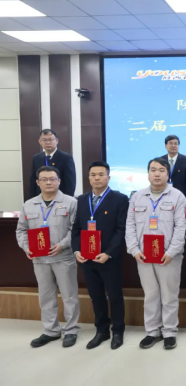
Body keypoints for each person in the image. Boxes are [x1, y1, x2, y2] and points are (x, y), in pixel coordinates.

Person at [125, 157, 186, 350]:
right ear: (148, 174)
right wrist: (134, 250)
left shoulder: (178, 197)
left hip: (168, 257)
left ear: (168, 174)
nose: (157, 174)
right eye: (153, 170)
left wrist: (171, 252)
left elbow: (181, 227)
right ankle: (152, 331)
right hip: (144, 256)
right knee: (150, 295)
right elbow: (130, 226)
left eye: (161, 170)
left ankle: (169, 332)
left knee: (169, 296)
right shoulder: (137, 196)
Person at [16, 166, 79, 348]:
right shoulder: (29, 204)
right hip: (39, 260)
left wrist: (63, 245)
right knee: (46, 296)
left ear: (59, 181)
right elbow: (21, 230)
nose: (48, 182)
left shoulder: (71, 202)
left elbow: (75, 229)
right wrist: (26, 247)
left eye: (52, 179)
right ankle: (51, 330)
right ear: (38, 182)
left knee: (69, 296)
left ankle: (71, 330)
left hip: (63, 257)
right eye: (44, 179)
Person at [72, 161, 129, 350]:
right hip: (87, 259)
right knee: (96, 296)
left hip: (109, 258)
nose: (97, 178)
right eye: (93, 175)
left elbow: (121, 230)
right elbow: (76, 229)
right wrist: (77, 250)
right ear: (89, 178)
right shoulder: (81, 200)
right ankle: (102, 330)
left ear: (108, 177)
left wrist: (108, 253)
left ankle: (118, 331)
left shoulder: (120, 199)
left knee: (114, 296)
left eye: (101, 174)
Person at [29, 129, 76, 198]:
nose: (48, 142)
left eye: (50, 139)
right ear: (40, 141)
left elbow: (70, 182)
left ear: (56, 140)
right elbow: (33, 181)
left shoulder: (66, 158)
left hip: (60, 198)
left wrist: (67, 200)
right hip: (41, 198)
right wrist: (33, 199)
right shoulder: (36, 158)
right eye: (44, 140)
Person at [161, 135, 186, 202]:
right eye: (171, 143)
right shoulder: (160, 161)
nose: (173, 146)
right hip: (163, 197)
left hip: (181, 198)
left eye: (176, 144)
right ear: (165, 146)